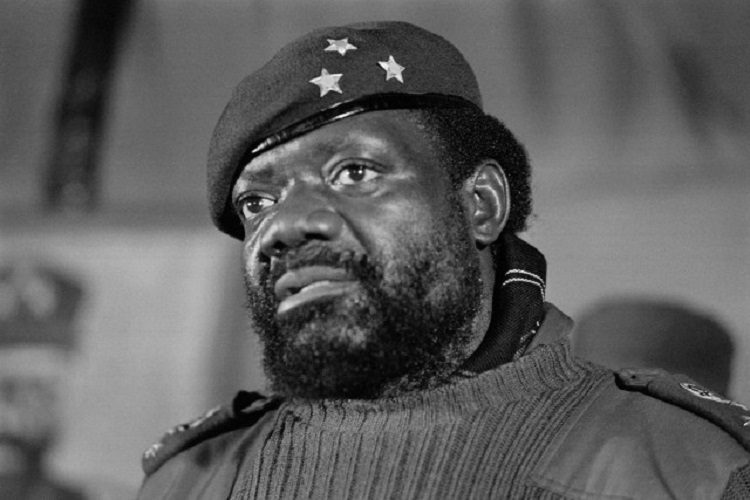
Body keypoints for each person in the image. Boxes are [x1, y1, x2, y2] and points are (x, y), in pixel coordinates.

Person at [138, 21, 750, 499]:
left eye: (354, 172)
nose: (283, 226)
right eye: (256, 203)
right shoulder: (190, 481)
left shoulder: (683, 467)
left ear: (481, 205)